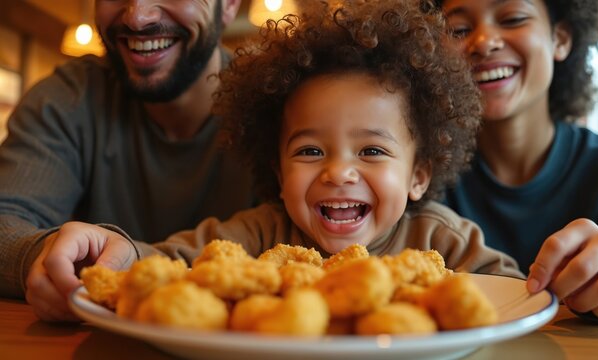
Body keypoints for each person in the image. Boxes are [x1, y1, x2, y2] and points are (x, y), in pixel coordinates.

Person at [28, 0, 523, 321]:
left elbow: (516, 299)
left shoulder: (442, 240)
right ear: (278, 169)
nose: (338, 172)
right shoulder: (260, 235)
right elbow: (169, 263)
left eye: (371, 151)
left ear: (419, 174)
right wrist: (116, 249)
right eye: (310, 151)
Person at [0, 0, 257, 320]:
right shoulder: (67, 97)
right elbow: (6, 219)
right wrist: (42, 256)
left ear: (230, 5)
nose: (137, 17)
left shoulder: (278, 107)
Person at [437, 0, 598, 324]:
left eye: (512, 19)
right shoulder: (420, 178)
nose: (484, 42)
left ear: (561, 38)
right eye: (459, 29)